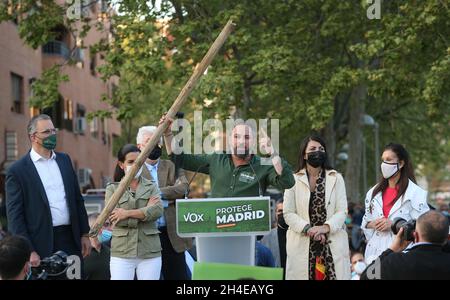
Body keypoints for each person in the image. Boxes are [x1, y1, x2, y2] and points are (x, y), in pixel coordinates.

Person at [6, 114, 91, 270]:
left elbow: (77, 200)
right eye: (46, 132)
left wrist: (85, 234)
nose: (52, 135)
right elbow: (15, 217)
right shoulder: (18, 171)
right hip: (40, 244)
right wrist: (29, 250)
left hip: (70, 240)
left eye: (53, 130)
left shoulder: (64, 160)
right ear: (33, 137)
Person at [160, 116, 295, 198]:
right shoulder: (216, 159)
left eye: (247, 137)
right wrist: (167, 133)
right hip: (217, 227)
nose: (242, 141)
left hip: (249, 232)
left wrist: (273, 153)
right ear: (230, 140)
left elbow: (287, 182)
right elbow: (180, 158)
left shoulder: (263, 165)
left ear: (254, 142)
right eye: (237, 137)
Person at [284, 135, 350, 280]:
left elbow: (342, 211)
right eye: (312, 149)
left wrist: (324, 228)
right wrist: (309, 229)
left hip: (331, 244)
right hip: (302, 244)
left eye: (321, 149)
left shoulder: (336, 178)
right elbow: (288, 213)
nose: (317, 152)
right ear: (304, 154)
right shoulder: (292, 179)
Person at [101, 144, 163, 280]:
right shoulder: (112, 189)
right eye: (130, 162)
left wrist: (126, 213)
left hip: (149, 251)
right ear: (121, 164)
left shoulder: (152, 186)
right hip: (122, 251)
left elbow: (158, 211)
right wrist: (146, 211)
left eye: (138, 162)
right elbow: (114, 218)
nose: (135, 166)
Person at [136, 126, 191, 280]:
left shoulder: (171, 165)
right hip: (146, 235)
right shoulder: (134, 170)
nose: (154, 144)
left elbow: (184, 188)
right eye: (149, 141)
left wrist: (156, 193)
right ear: (140, 146)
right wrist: (170, 196)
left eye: (157, 141)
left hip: (172, 235)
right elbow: (137, 198)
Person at [361, 143, 429, 264]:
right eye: (383, 160)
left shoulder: (416, 193)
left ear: (401, 163)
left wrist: (393, 225)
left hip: (402, 256)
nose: (384, 164)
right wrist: (373, 224)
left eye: (388, 160)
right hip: (374, 255)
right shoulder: (373, 192)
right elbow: (365, 222)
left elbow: (422, 227)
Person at [361, 210, 450, 280]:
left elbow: (366, 276)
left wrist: (392, 249)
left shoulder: (396, 262)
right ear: (447, 237)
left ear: (415, 236)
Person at [84, 213, 111, 280]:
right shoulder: (80, 253)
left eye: (109, 224)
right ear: (92, 228)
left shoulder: (111, 252)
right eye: (106, 225)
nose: (110, 228)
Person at [261, 200, 283, 267]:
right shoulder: (267, 237)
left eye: (286, 211)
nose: (283, 214)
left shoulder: (298, 236)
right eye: (280, 211)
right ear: (275, 213)